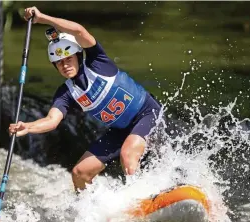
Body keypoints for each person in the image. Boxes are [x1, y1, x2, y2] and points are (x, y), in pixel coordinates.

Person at [9, 7, 162, 192]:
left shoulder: (97, 62)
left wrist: (43, 18)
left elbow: (79, 30)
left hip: (146, 113)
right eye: (59, 62)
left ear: (78, 56)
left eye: (68, 59)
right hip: (120, 130)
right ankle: (87, 212)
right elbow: (52, 120)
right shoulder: (66, 93)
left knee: (128, 154)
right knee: (80, 172)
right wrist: (28, 127)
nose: (64, 65)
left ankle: (141, 198)